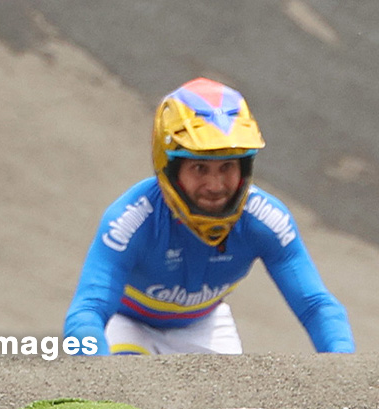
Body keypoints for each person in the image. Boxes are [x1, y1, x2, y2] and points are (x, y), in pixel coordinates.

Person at [64, 78, 353, 356]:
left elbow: (316, 306)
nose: (216, 187)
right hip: (126, 324)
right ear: (171, 168)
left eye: (227, 166)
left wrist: (343, 372)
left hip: (204, 325)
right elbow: (86, 312)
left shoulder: (267, 219)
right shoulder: (130, 220)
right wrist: (95, 380)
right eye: (200, 168)